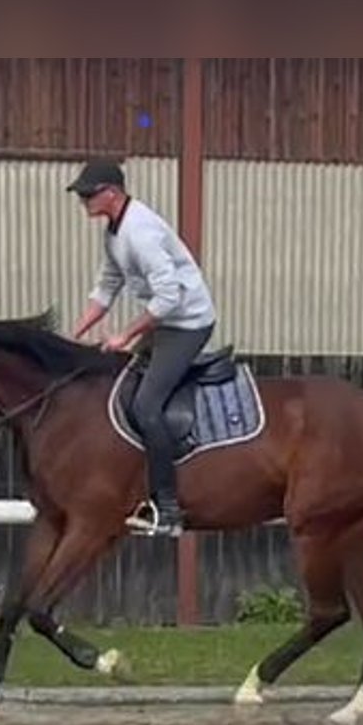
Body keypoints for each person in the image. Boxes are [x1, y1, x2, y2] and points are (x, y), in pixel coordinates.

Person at [66, 158, 217, 537]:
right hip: (166, 322)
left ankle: (167, 508)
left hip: (187, 324)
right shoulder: (115, 233)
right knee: (125, 392)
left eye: (89, 194)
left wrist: (126, 335)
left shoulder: (140, 232)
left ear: (111, 194)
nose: (83, 201)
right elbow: (107, 285)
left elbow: (170, 295)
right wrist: (76, 333)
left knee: (147, 405)